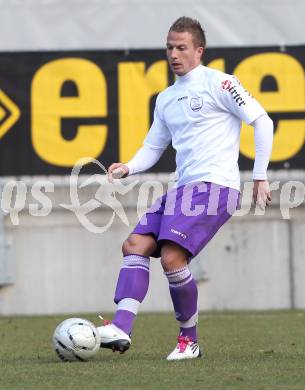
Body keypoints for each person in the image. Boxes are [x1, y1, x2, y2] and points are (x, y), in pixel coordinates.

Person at [97, 16, 273, 361]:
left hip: (216, 186)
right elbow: (153, 146)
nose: (174, 54)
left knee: (172, 256)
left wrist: (260, 175)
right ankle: (120, 327)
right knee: (134, 244)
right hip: (185, 188)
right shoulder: (165, 99)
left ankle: (188, 342)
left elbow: (262, 120)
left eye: (181, 47)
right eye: (169, 47)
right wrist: (128, 166)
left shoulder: (221, 84)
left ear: (199, 50)